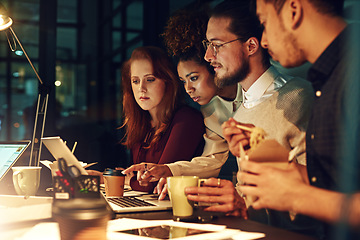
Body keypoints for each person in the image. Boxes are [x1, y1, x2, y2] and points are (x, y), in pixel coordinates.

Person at [184, 0, 320, 237]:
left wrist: (244, 207)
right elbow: (251, 194)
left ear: (251, 46)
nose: (207, 56)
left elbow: (318, 199)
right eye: (208, 45)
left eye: (216, 45)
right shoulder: (242, 110)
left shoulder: (299, 98)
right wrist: (232, 201)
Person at [234, 0, 360, 239]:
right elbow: (334, 180)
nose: (264, 41)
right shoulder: (328, 77)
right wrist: (259, 149)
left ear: (293, 10)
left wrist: (298, 197)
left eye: (264, 22)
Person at [122, 9, 241, 189]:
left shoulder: (188, 117)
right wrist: (167, 170)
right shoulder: (210, 110)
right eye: (183, 81)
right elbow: (212, 159)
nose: (188, 89)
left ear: (214, 67)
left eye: (193, 78)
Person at [88, 46, 206, 193]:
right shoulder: (141, 124)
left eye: (150, 79)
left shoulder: (187, 120)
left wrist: (128, 180)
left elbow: (153, 184)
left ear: (167, 81)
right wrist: (104, 177)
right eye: (135, 81)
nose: (141, 88)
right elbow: (139, 180)